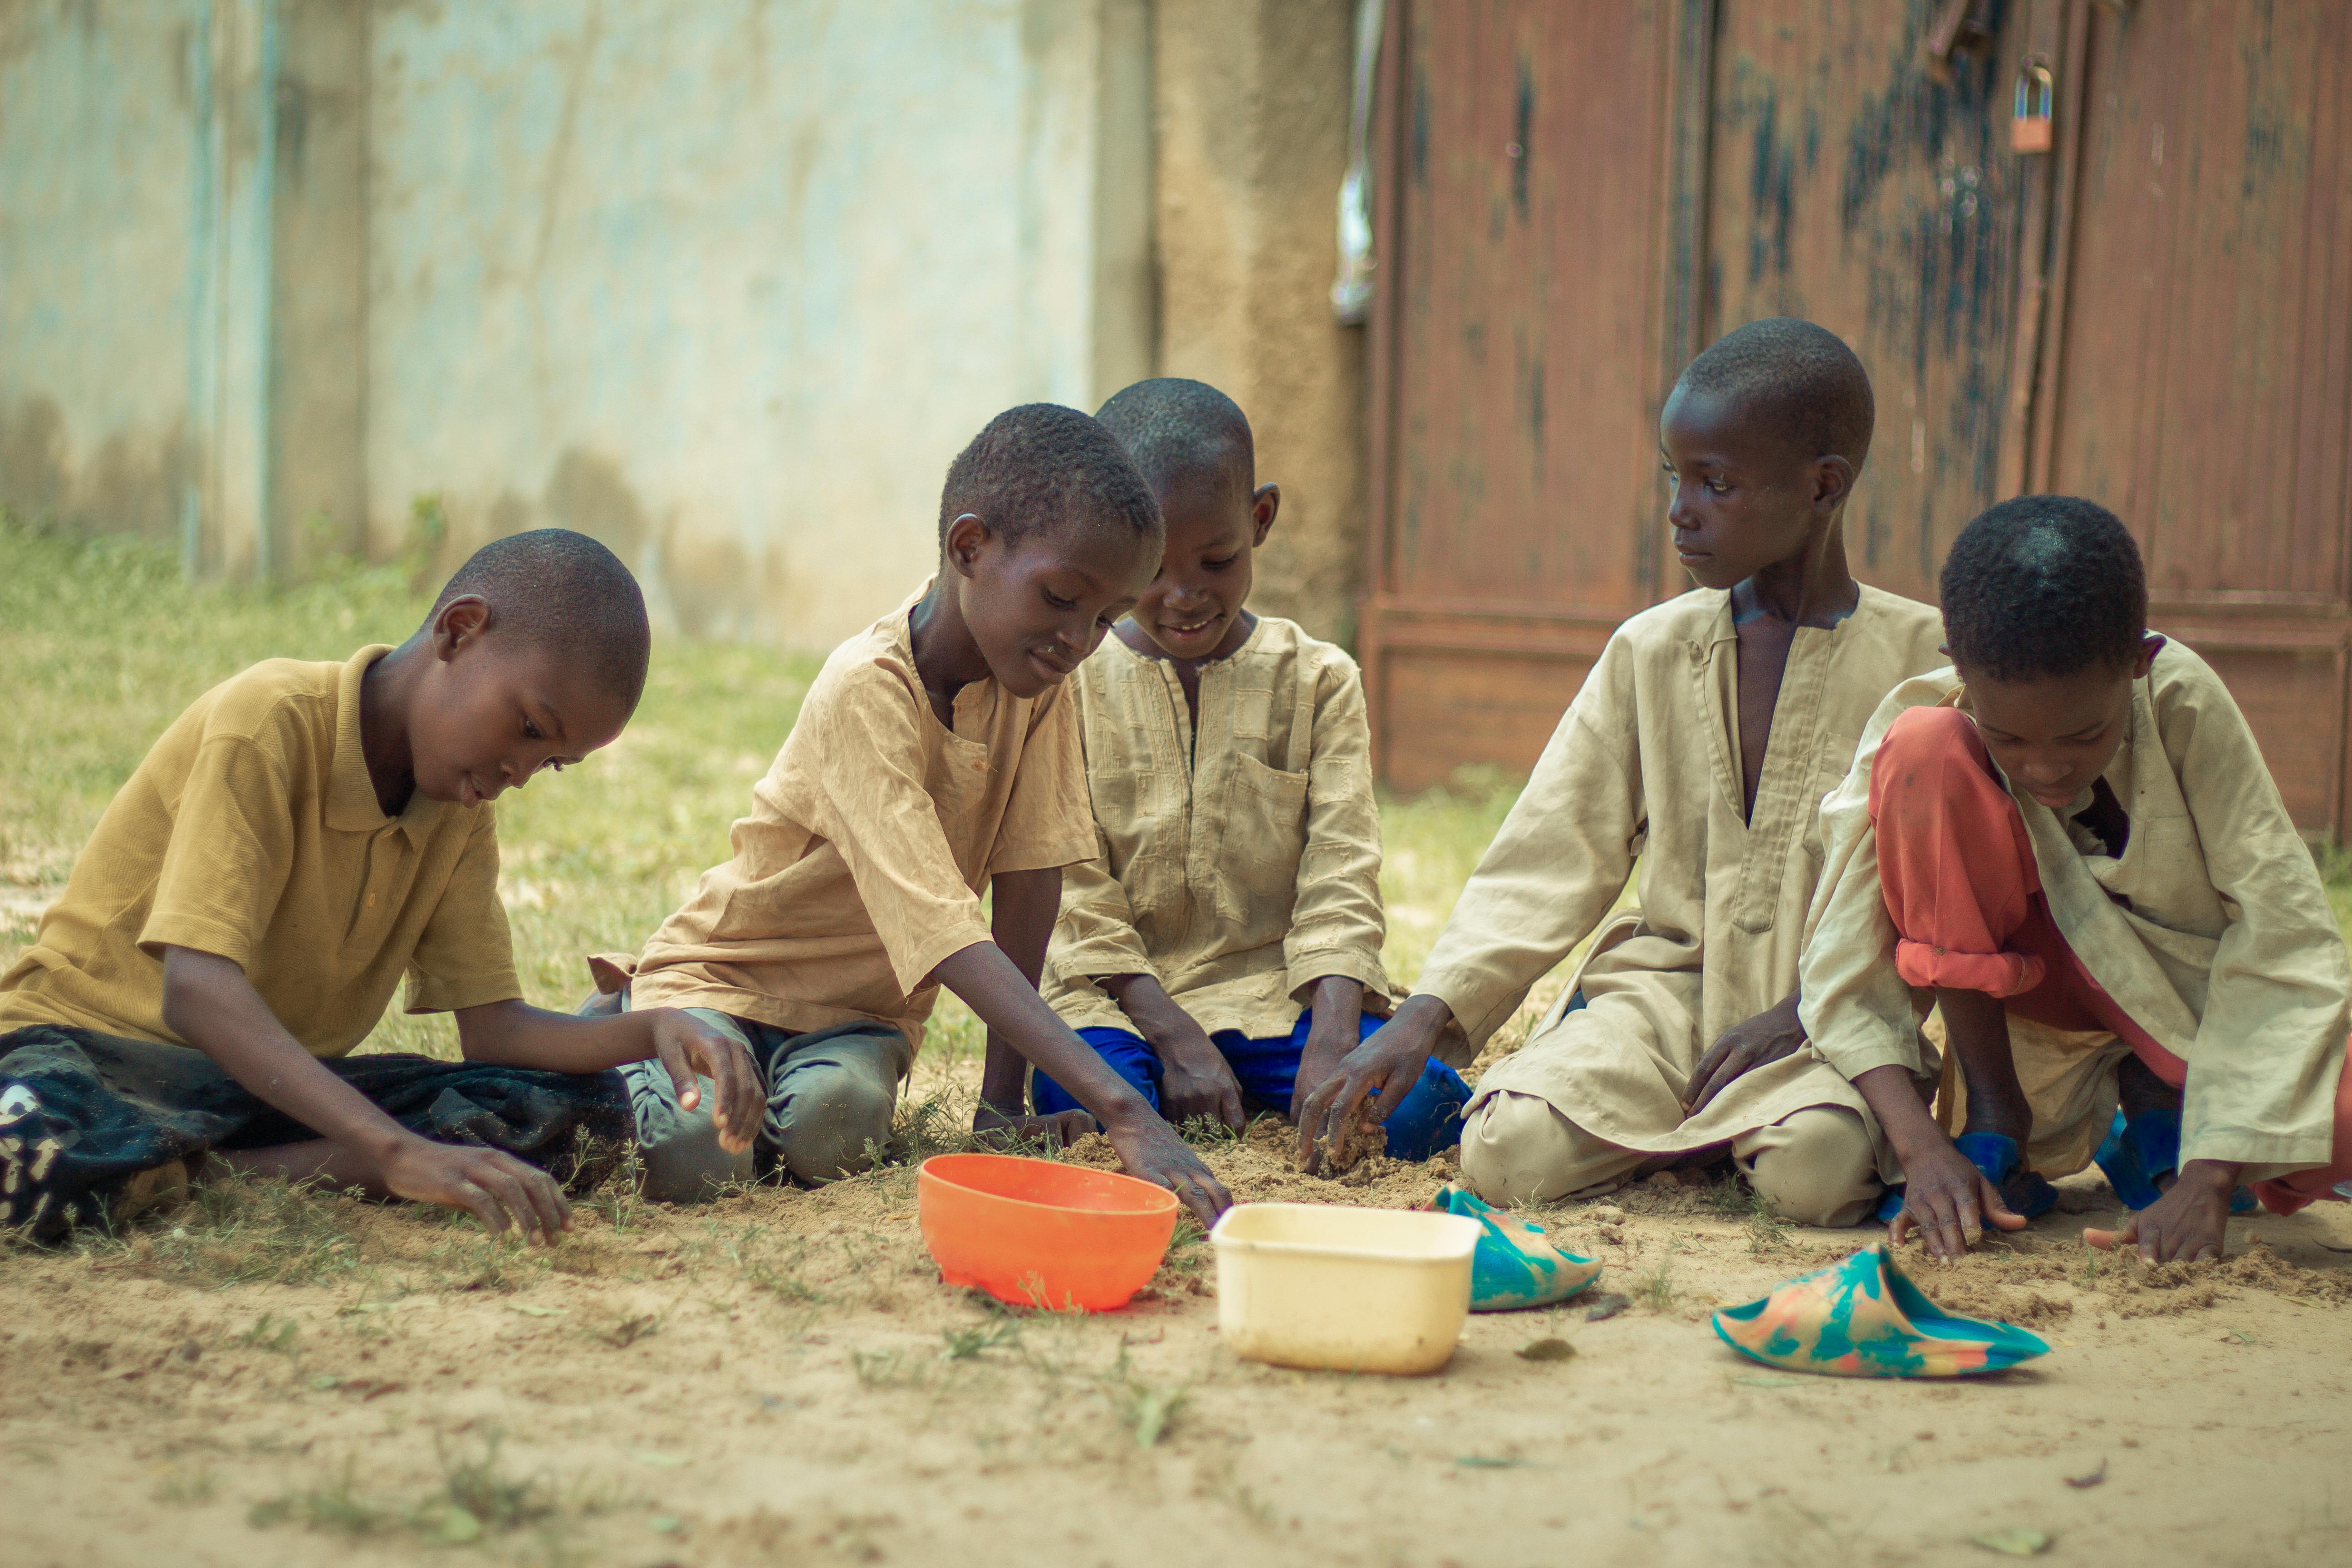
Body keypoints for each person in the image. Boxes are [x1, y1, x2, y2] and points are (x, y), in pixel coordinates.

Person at [1296, 318, 1946, 1222]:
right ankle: (1673, 1119)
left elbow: (1940, 895)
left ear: (1823, 487)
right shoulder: (1651, 650)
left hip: (1830, 1021)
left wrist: (1807, 1010)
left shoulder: (1926, 665)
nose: (1681, 509)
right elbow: (1550, 853)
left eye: (1716, 484)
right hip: (1663, 998)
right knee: (1507, 1151)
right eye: (1673, 476)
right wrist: (1424, 1020)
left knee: (1816, 1174)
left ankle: (1721, 1132)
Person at [0, 530, 760, 1242]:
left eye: (553, 764)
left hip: (261, 1090)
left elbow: (494, 1034)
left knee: (579, 1113)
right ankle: (314, 1164)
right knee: (24, 1151)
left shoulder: (462, 810)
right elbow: (196, 991)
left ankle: (192, 1172)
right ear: (459, 632)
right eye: (531, 729)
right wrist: (393, 1151)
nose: (521, 776)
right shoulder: (268, 723)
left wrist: (650, 1029)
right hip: (94, 1062)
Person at [605, 404, 1234, 1224]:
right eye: (1060, 597)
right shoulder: (864, 688)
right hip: (721, 981)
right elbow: (943, 931)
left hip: (857, 1021)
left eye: (1106, 619)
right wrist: (1124, 1109)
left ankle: (750, 1084)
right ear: (969, 549)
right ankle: (620, 1028)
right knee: (697, 1159)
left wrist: (1000, 1109)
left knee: (834, 1133)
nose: (1080, 639)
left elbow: (1030, 879)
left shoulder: (1039, 683)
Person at [1802, 495, 2352, 1261]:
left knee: (2343, 1121)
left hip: (2177, 1001)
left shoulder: (2181, 699)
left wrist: (2211, 1177)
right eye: (2010, 739)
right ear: (1960, 670)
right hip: (2034, 1000)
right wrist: (1927, 1152)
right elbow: (1843, 962)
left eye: (2086, 734)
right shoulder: (1934, 718)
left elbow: (2283, 931)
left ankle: (2159, 1109)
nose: (2047, 767)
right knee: (1927, 747)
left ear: (2137, 661)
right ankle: (1998, 1119)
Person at [1034, 378, 1469, 1158]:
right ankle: (1166, 1081)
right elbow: (1073, 890)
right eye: (1152, 568)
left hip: (1276, 999)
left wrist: (1335, 1035)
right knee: (1091, 1100)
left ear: (1260, 519)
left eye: (1218, 559)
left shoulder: (1319, 679)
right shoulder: (1069, 680)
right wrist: (1174, 1038)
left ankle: (1254, 1077)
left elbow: (1342, 869)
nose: (1184, 595)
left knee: (1421, 1111)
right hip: (1119, 1002)